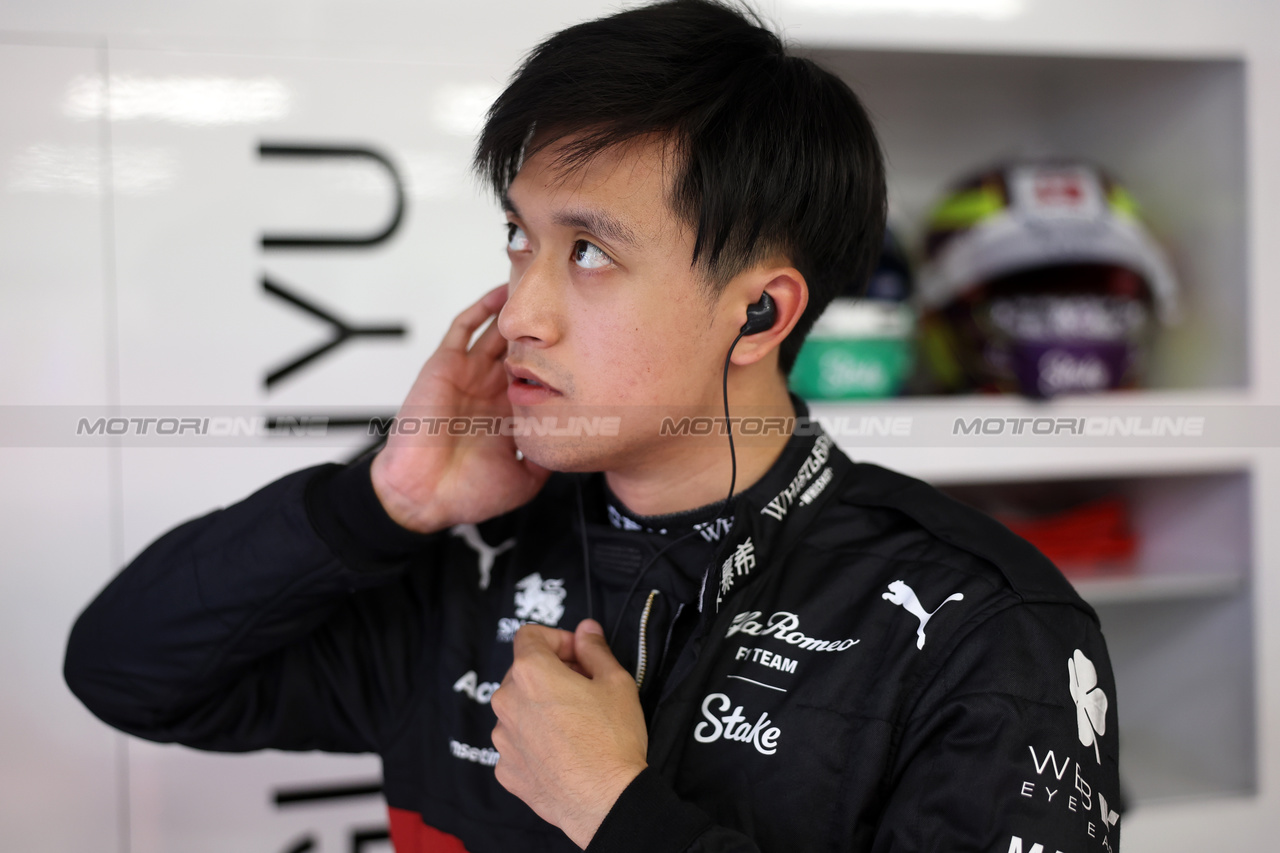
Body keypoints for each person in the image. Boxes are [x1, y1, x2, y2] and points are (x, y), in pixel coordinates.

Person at [64, 1, 1122, 851]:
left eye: (588, 253)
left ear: (759, 312)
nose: (519, 308)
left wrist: (617, 816)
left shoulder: (981, 625)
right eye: (520, 238)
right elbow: (126, 673)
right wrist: (375, 506)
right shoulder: (460, 554)